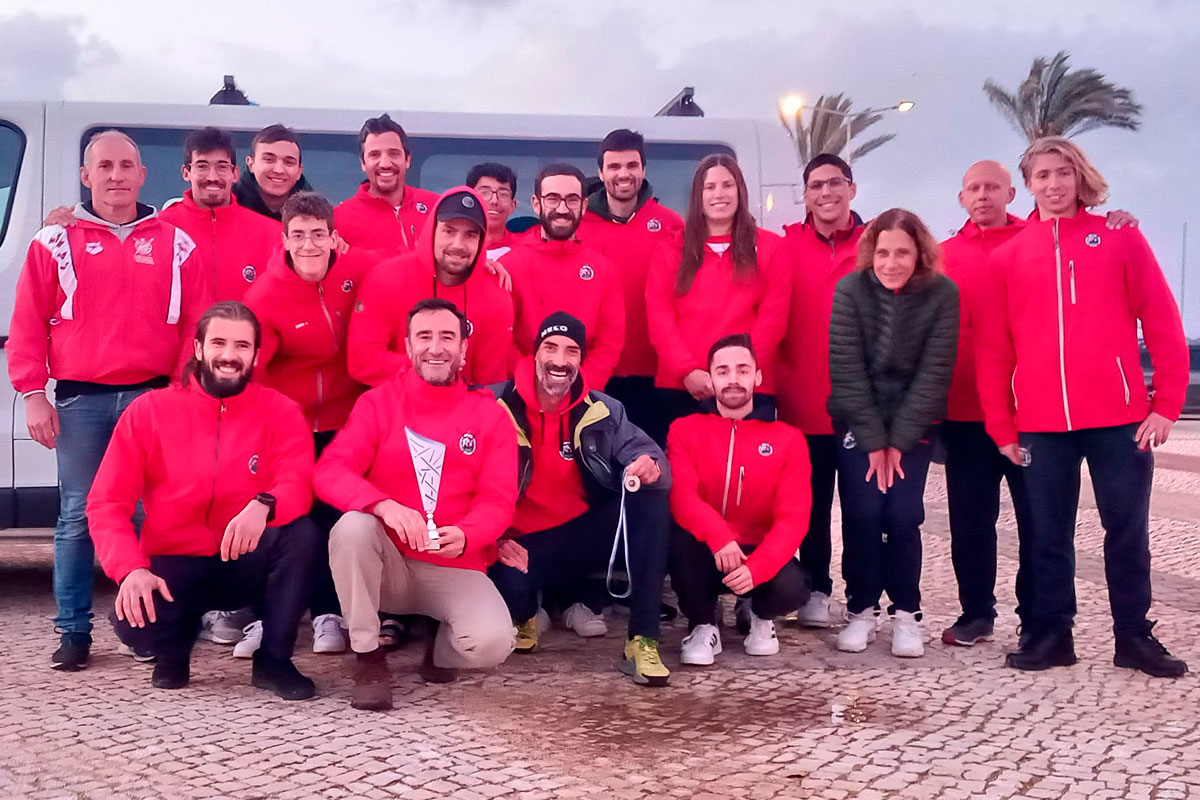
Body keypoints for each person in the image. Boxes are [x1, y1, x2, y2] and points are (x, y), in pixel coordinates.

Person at [977, 137, 1189, 677]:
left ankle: (1133, 637)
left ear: (1079, 176)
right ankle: (1052, 635)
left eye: (1063, 173)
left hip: (1119, 419)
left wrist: (1165, 404)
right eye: (1042, 175)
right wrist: (1002, 425)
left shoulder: (1119, 238)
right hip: (1042, 425)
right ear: (1027, 185)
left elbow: (1162, 321)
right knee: (1046, 533)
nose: (1053, 184)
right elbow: (994, 348)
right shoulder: (1009, 255)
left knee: (1127, 530)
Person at [7, 129, 206, 671]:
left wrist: (183, 394)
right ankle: (73, 631)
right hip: (79, 402)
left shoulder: (176, 243)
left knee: (145, 516)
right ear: (85, 175)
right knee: (76, 516)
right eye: (105, 166)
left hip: (151, 399)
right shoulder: (53, 241)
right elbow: (26, 324)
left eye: (126, 165)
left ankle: (141, 627)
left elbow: (195, 326)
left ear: (144, 175)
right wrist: (32, 394)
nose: (116, 175)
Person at [939, 162, 1138, 647]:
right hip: (965, 411)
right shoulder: (942, 256)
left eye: (992, 187)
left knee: (1040, 523)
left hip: (1032, 414)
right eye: (973, 189)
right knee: (970, 522)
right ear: (961, 197)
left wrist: (1118, 222)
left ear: (1012, 192)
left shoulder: (1037, 243)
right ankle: (976, 614)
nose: (983, 196)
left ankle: (1039, 619)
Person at [87, 301, 321, 699]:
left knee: (303, 535)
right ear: (197, 348)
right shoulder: (149, 411)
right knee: (136, 627)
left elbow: (298, 481)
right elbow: (106, 503)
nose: (229, 356)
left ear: (256, 355)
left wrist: (265, 504)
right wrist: (130, 570)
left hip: (244, 558)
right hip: (175, 562)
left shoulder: (280, 411)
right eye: (219, 343)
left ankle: (274, 660)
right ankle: (172, 651)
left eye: (242, 346)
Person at [314, 298, 518, 711]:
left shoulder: (491, 416)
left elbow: (498, 500)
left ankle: (439, 647)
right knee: (352, 527)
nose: (436, 347)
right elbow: (330, 472)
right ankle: (369, 656)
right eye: (424, 337)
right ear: (407, 348)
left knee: (493, 643)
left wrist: (468, 534)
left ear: (464, 349)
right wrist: (384, 506)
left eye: (447, 337)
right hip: (387, 563)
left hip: (453, 563)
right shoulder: (377, 404)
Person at [488, 312, 672, 687]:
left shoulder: (603, 408)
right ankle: (530, 611)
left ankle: (642, 638)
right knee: (510, 593)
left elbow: (650, 454)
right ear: (534, 354)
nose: (560, 360)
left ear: (580, 361)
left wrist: (650, 465)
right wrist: (493, 539)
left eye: (571, 351)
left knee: (650, 499)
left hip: (583, 536)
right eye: (550, 348)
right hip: (519, 541)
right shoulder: (493, 404)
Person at [243, 191, 379, 655]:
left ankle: (329, 614)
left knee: (336, 519)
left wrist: (489, 264)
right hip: (293, 424)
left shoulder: (358, 270)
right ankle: (269, 616)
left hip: (347, 420)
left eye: (317, 234)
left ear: (334, 237)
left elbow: (415, 266)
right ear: (284, 238)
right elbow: (250, 369)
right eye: (297, 235)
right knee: (292, 519)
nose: (308, 245)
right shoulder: (266, 293)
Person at [827, 208, 959, 659]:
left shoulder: (942, 294)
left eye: (902, 253)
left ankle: (907, 612)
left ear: (919, 253)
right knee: (863, 514)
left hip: (912, 423)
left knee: (902, 516)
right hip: (858, 421)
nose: (891, 263)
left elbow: (934, 374)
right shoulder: (850, 290)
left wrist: (897, 443)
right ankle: (862, 608)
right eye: (883, 252)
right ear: (871, 252)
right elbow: (846, 370)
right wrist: (873, 441)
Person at [667, 334, 812, 665]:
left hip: (757, 552)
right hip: (709, 548)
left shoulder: (788, 439)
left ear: (757, 377)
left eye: (742, 370)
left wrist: (758, 567)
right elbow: (682, 497)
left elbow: (794, 518)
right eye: (723, 371)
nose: (733, 380)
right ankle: (704, 624)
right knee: (677, 546)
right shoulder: (685, 430)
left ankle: (760, 617)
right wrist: (719, 537)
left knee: (794, 586)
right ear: (711, 378)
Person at [777, 153, 867, 629]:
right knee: (808, 507)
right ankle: (814, 588)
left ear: (852, 188)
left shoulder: (879, 244)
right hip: (800, 403)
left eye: (835, 183)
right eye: (816, 186)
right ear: (805, 194)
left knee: (860, 509)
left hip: (860, 407)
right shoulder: (784, 245)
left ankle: (860, 598)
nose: (826, 193)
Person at [645, 153, 791, 436]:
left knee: (747, 478)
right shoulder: (670, 250)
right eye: (709, 187)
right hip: (682, 387)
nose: (719, 194)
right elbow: (660, 319)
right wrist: (687, 371)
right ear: (698, 195)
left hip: (748, 391)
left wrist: (738, 376)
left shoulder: (772, 248)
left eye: (727, 185)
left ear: (740, 191)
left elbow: (773, 320)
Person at [577, 129, 684, 444]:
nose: (623, 174)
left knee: (653, 473)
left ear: (643, 170)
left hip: (656, 376)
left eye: (631, 165)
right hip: (596, 373)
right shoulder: (578, 226)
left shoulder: (672, 225)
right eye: (614, 166)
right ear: (600, 172)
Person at [347, 187, 514, 388]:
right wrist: (433, 367)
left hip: (461, 408)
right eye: (449, 231)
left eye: (470, 235)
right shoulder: (386, 279)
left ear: (481, 241)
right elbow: (362, 361)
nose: (457, 244)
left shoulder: (494, 293)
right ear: (432, 230)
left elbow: (489, 383)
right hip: (395, 405)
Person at [501, 163, 626, 389]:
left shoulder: (603, 270)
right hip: (523, 392)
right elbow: (502, 336)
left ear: (584, 205)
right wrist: (532, 383)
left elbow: (610, 342)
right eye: (552, 198)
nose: (562, 208)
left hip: (583, 395)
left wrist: (580, 388)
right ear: (536, 204)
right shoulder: (510, 265)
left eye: (571, 199)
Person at [158, 128, 282, 303]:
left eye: (222, 167)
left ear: (235, 174)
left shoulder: (272, 235)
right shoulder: (160, 229)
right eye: (202, 166)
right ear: (186, 173)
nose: (212, 176)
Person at [334, 114, 439, 254]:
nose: (385, 164)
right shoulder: (338, 219)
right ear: (363, 163)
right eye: (374, 155)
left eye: (394, 153)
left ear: (407, 160)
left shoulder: (437, 208)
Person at [233, 124, 314, 221]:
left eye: (289, 162)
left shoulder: (316, 213)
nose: (278, 170)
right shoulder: (226, 204)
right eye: (269, 159)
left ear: (299, 171)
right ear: (251, 164)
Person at [466, 162, 523, 259]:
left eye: (503, 194)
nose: (494, 201)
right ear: (469, 200)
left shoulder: (525, 249)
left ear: (513, 205)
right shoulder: (452, 247)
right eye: (485, 192)